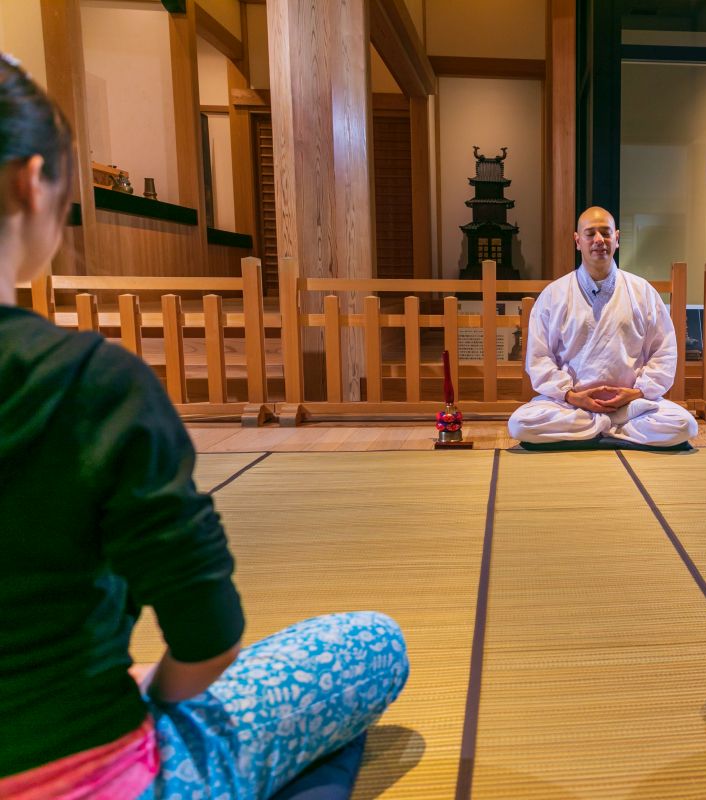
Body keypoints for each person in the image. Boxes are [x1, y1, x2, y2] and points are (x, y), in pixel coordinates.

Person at [0, 56, 408, 798]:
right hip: (90, 772)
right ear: (32, 181)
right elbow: (209, 637)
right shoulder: (91, 381)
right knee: (372, 645)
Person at [508, 206, 698, 448]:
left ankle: (596, 430)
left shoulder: (642, 292)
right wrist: (571, 395)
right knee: (520, 423)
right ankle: (612, 430)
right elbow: (539, 358)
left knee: (684, 425)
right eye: (590, 234)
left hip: (630, 405)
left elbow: (664, 351)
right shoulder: (554, 295)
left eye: (606, 233)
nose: (599, 240)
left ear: (616, 238)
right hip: (572, 405)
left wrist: (638, 393)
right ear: (578, 241)